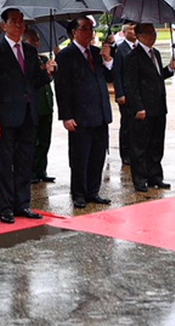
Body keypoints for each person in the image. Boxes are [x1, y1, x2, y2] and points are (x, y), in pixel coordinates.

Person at [0, 9, 54, 224]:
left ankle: (23, 203)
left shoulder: (30, 51)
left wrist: (48, 72)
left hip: (28, 114)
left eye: (21, 22)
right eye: (14, 21)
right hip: (5, 116)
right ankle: (5, 207)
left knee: (25, 161)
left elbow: (34, 81)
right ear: (3, 25)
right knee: (5, 163)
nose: (19, 25)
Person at [55, 15, 114, 209]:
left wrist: (108, 59)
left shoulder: (96, 53)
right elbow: (62, 87)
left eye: (91, 29)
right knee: (80, 157)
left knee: (98, 155)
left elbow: (110, 77)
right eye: (85, 29)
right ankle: (78, 193)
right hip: (80, 115)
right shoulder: (66, 55)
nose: (90, 33)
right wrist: (66, 116)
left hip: (100, 112)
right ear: (74, 32)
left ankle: (93, 191)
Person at [123, 23, 175, 192]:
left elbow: (157, 77)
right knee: (140, 146)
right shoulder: (133, 57)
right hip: (144, 109)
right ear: (139, 36)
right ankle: (140, 179)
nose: (152, 36)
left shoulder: (156, 54)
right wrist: (138, 107)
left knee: (156, 143)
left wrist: (170, 69)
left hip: (158, 106)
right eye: (148, 33)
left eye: (154, 33)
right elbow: (131, 85)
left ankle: (155, 176)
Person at [22, 28, 56, 184]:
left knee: (44, 140)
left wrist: (51, 70)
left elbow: (48, 79)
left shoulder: (42, 58)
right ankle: (31, 171)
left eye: (37, 40)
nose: (37, 43)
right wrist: (42, 70)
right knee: (33, 141)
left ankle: (42, 169)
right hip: (35, 104)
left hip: (46, 103)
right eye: (33, 40)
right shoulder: (24, 60)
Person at [113, 22, 137, 166]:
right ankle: (125, 153)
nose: (134, 32)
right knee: (127, 124)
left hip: (137, 93)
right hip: (126, 93)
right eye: (131, 29)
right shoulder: (120, 49)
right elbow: (117, 73)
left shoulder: (139, 48)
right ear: (125, 32)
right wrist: (120, 93)